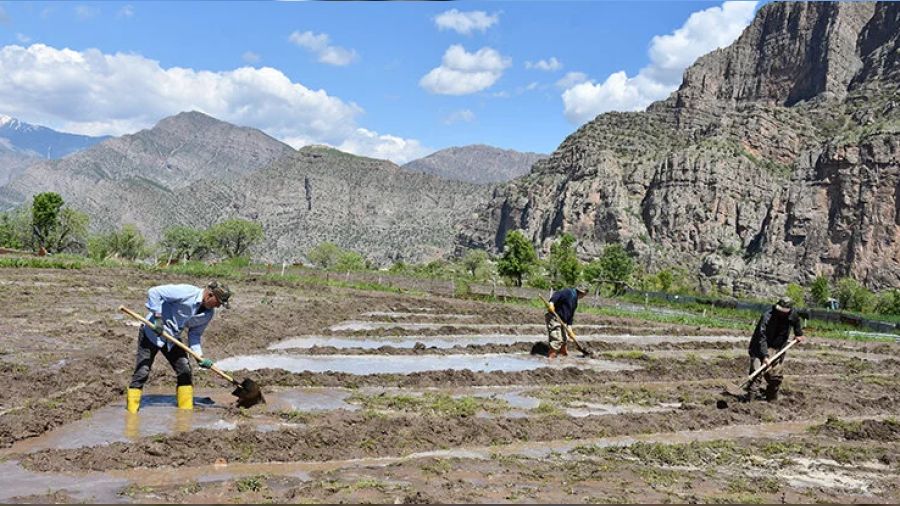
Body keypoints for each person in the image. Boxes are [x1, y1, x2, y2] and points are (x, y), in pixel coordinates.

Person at [126, 280, 232, 413]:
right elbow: (154, 292)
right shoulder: (186, 292)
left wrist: (199, 357)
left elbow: (195, 335)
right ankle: (131, 412)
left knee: (184, 370)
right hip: (152, 333)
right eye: (218, 302)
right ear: (209, 295)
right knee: (143, 371)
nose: (218, 306)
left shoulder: (207, 314)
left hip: (172, 338)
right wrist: (158, 318)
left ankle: (185, 411)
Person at [746, 296, 804, 402]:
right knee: (756, 372)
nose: (781, 312)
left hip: (777, 347)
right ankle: (750, 400)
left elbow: (796, 321)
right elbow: (761, 337)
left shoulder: (792, 314)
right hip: (759, 346)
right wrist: (765, 356)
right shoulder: (767, 316)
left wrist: (798, 333)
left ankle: (771, 399)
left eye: (784, 311)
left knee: (775, 375)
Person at [545, 286, 589, 359]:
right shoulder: (568, 292)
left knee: (564, 340)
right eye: (585, 294)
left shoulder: (575, 301)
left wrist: (570, 330)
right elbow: (557, 294)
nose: (584, 296)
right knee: (557, 340)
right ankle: (550, 359)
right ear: (583, 293)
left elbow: (570, 316)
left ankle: (563, 356)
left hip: (563, 320)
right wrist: (551, 304)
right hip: (554, 317)